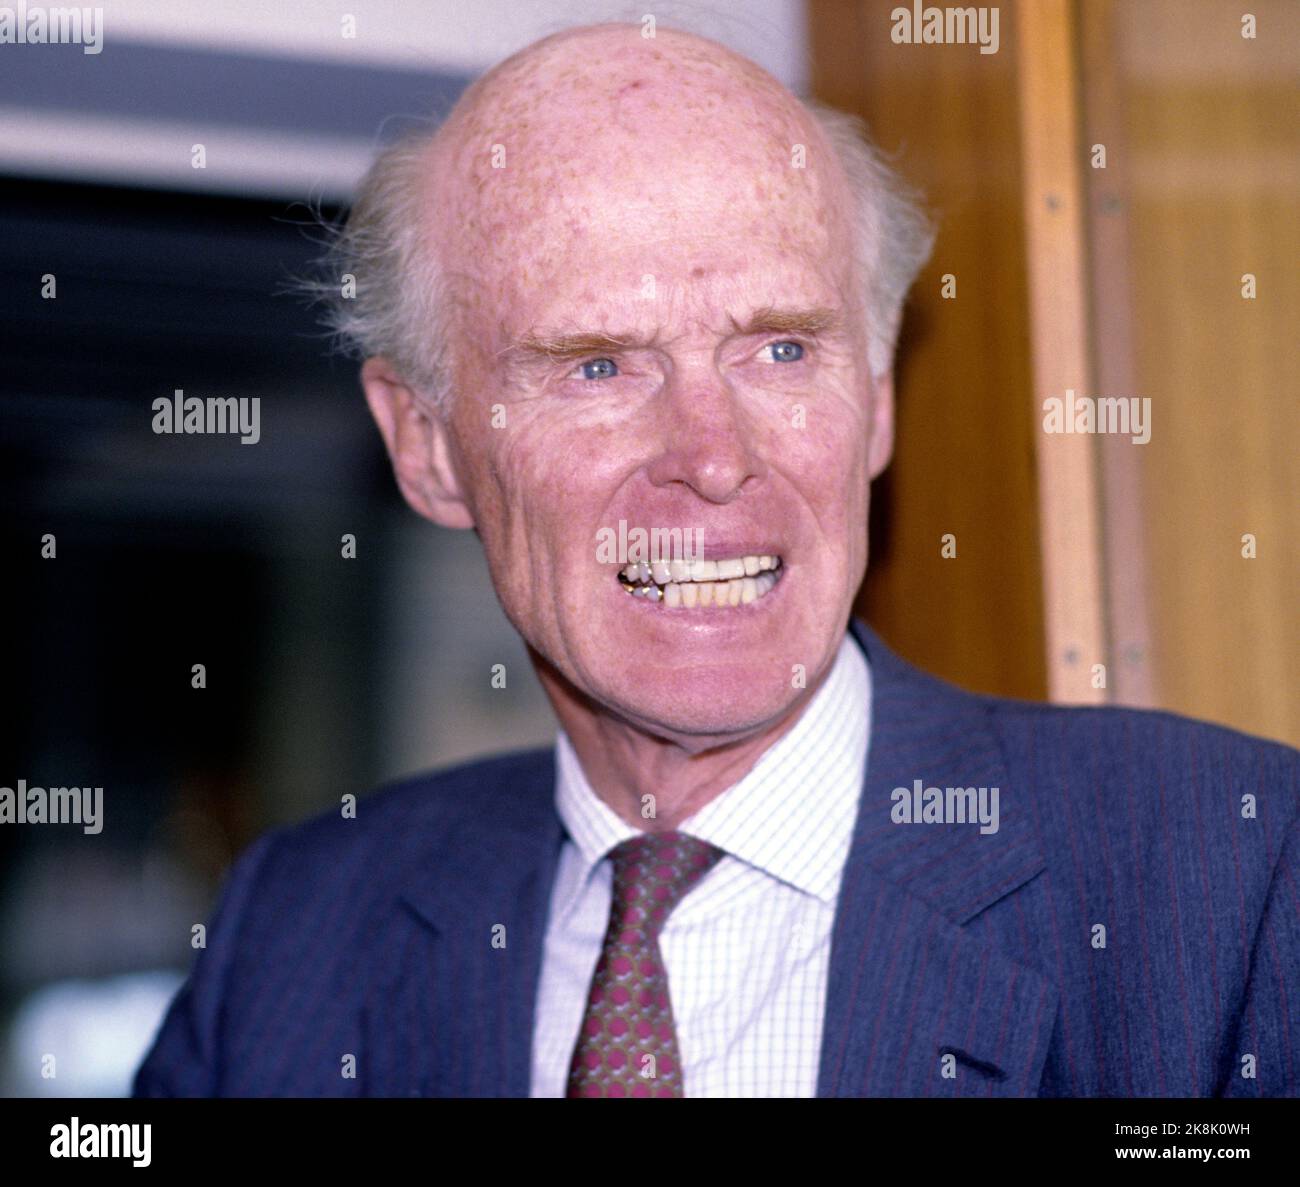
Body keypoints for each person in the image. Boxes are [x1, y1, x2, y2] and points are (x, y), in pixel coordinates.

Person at [132, 21, 1298, 1098]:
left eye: (781, 348)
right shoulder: (292, 936)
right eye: (597, 365)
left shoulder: (1232, 873)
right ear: (428, 445)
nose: (712, 455)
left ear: (878, 402)